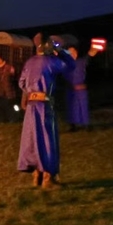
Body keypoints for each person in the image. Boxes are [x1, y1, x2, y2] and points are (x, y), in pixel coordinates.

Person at [17, 38, 75, 189]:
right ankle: (48, 178)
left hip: (31, 107)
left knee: (34, 139)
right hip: (45, 105)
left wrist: (29, 93)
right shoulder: (51, 61)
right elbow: (70, 65)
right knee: (48, 140)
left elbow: (21, 83)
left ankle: (37, 175)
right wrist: (60, 50)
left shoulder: (29, 62)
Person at [64, 44, 101, 131]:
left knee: (82, 107)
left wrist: (91, 52)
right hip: (71, 89)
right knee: (71, 107)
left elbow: (88, 57)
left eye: (73, 52)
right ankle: (72, 126)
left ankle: (86, 125)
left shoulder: (81, 61)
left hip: (81, 89)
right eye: (69, 52)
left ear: (76, 53)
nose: (71, 53)